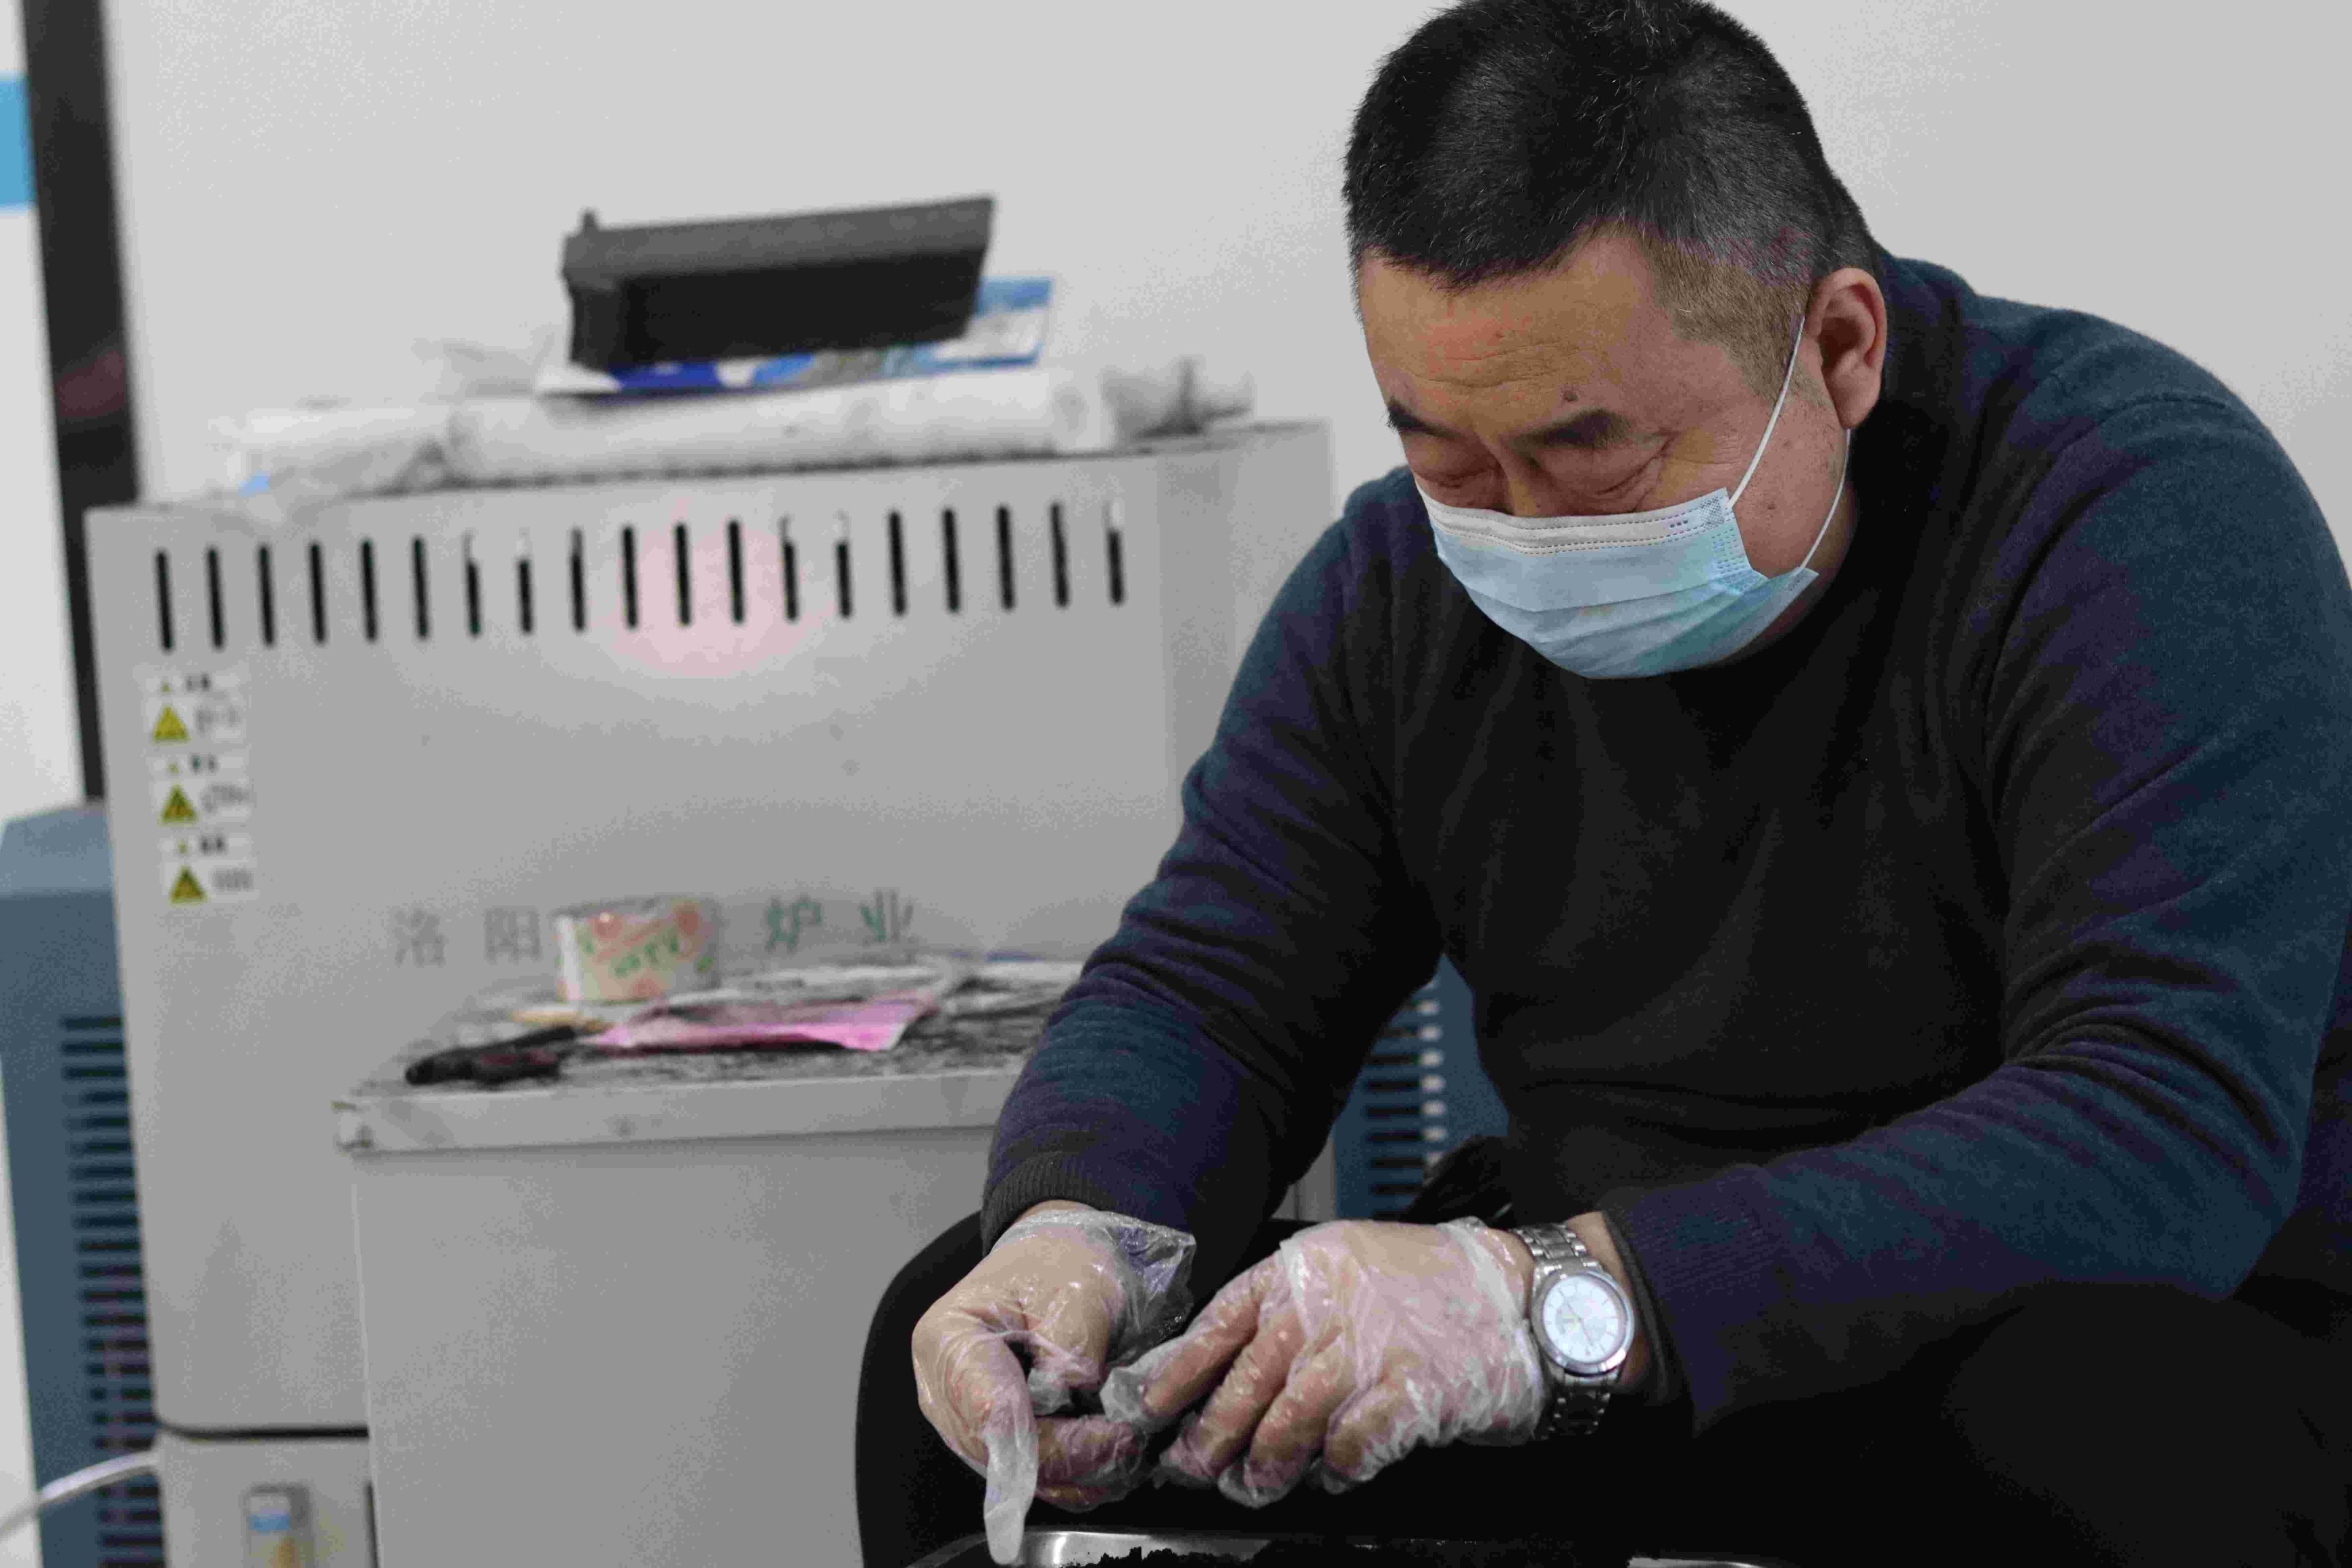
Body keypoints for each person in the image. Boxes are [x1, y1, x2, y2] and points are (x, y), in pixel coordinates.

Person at [858, 2, 2352, 1564]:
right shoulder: (1397, 587)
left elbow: (2158, 1128)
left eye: (1592, 455)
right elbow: (1212, 994)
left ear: (1840, 350)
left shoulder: (2136, 514)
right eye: (1446, 454)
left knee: (2103, 1414)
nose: (1516, 525)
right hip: (1602, 1355)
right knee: (959, 1367)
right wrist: (1082, 1231)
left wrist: (1549, 1298)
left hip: (2049, 1323)